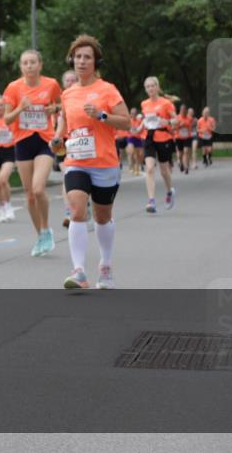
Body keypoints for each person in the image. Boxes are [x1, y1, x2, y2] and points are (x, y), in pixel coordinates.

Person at [50, 35, 129, 289]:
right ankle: (79, 271)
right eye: (78, 57)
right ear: (71, 60)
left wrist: (102, 115)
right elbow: (65, 125)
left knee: (103, 217)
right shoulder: (68, 94)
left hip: (104, 162)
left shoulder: (108, 89)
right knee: (76, 210)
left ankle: (105, 265)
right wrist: (57, 140)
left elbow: (126, 121)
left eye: (87, 57)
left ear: (96, 62)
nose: (81, 61)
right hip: (77, 161)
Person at [2, 50, 62, 256]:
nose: (29, 66)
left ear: (40, 65)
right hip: (23, 141)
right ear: (21, 67)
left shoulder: (51, 84)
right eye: (25, 63)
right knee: (29, 195)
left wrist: (54, 109)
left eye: (32, 62)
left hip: (44, 140)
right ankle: (41, 236)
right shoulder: (13, 88)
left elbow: (63, 105)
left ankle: (46, 227)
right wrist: (20, 108)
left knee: (38, 189)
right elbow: (7, 119)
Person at [140, 76, 179, 213]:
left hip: (163, 137)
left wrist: (168, 122)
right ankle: (151, 201)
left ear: (157, 87)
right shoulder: (144, 104)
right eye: (148, 86)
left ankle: (169, 191)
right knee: (149, 168)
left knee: (163, 170)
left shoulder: (166, 103)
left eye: (153, 86)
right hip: (149, 137)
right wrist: (140, 126)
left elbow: (176, 120)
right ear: (146, 89)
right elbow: (146, 119)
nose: (150, 88)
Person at [57, 70, 79, 228]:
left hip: (80, 140)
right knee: (67, 175)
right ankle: (68, 211)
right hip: (63, 142)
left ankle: (83, 202)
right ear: (63, 83)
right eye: (67, 80)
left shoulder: (83, 97)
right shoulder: (59, 101)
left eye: (73, 80)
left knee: (83, 176)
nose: (70, 83)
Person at [176, 105, 195, 174]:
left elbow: (191, 126)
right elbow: (174, 127)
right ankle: (181, 163)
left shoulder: (189, 118)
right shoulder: (177, 118)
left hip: (187, 137)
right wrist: (180, 125)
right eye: (182, 110)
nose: (183, 111)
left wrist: (186, 124)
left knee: (186, 151)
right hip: (179, 137)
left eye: (184, 110)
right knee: (180, 154)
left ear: (186, 111)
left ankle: (186, 167)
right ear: (180, 110)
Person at [126, 108, 145, 175]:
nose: (133, 115)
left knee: (138, 155)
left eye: (134, 113)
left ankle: (137, 168)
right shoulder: (128, 121)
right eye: (131, 113)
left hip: (138, 138)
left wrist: (138, 131)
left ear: (136, 114)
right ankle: (132, 167)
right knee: (131, 152)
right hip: (130, 138)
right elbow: (127, 129)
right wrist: (132, 131)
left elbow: (142, 129)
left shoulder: (139, 121)